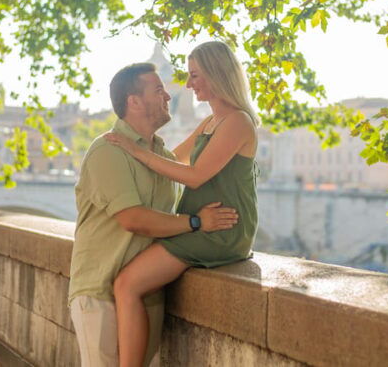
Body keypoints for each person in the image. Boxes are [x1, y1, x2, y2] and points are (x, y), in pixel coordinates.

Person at [67, 62, 240, 367]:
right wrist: (196, 222)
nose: (169, 96)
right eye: (158, 89)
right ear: (133, 101)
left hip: (146, 296)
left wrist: (214, 110)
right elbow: (133, 219)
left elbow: (194, 152)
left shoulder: (159, 155)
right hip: (100, 293)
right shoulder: (108, 150)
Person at [104, 41, 260, 367]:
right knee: (128, 282)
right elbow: (173, 159)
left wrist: (135, 152)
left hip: (221, 229)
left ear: (217, 75)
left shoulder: (238, 122)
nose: (188, 85)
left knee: (127, 284)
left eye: (194, 75)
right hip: (202, 224)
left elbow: (194, 176)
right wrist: (128, 158)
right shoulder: (211, 123)